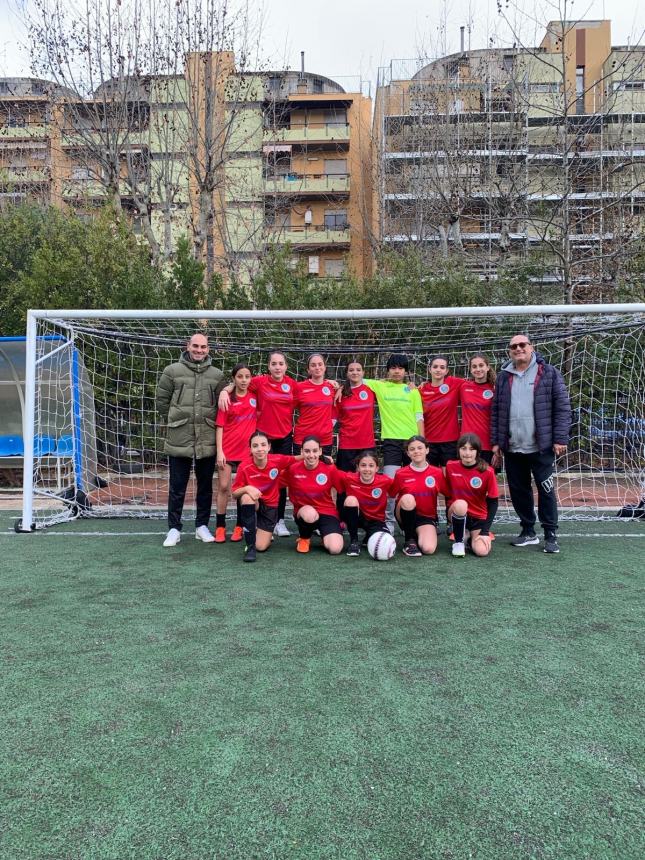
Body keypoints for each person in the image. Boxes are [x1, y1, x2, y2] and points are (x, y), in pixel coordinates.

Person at [491, 334, 572, 554]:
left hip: (541, 445)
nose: (518, 349)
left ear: (531, 347)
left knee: (546, 490)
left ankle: (550, 534)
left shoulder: (549, 373)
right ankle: (528, 531)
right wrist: (497, 443)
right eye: (513, 346)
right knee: (519, 491)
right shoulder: (503, 377)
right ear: (509, 351)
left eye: (522, 345)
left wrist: (559, 438)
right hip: (513, 447)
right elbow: (497, 411)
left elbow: (563, 407)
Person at [156, 332, 225, 547]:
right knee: (177, 486)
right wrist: (178, 420)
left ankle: (201, 526)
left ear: (208, 349)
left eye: (203, 347)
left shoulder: (217, 374)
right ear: (188, 346)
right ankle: (174, 528)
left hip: (206, 438)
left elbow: (223, 403)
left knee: (205, 486)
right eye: (195, 346)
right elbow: (161, 402)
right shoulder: (172, 371)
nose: (199, 350)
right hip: (180, 438)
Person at [219, 350, 296, 537]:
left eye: (281, 364)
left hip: (285, 436)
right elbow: (239, 382)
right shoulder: (259, 382)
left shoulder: (293, 385)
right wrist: (224, 390)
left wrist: (330, 383)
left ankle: (279, 521)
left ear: (286, 366)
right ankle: (253, 519)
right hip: (263, 439)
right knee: (256, 478)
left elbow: (314, 389)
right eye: (274, 364)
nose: (277, 367)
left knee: (281, 480)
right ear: (269, 366)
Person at [364, 354, 424, 532]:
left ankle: (417, 521)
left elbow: (419, 417)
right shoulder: (380, 386)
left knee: (414, 484)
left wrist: (421, 442)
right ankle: (388, 523)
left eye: (400, 368)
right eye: (393, 368)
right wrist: (333, 383)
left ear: (406, 371)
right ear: (388, 370)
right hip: (391, 442)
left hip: (412, 442)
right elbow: (357, 377)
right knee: (390, 484)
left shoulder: (412, 391)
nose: (397, 371)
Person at [231, 431, 299, 563]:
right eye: (255, 446)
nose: (259, 449)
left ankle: (260, 534)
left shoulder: (277, 460)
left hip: (270, 507)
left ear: (269, 447)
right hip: (255, 503)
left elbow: (297, 458)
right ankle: (250, 547)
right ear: (250, 448)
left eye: (263, 445)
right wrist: (247, 488)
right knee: (246, 498)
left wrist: (321, 457)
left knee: (261, 546)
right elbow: (234, 493)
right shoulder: (244, 466)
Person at [280, 435, 344, 555]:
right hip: (304, 513)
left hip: (327, 512)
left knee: (335, 549)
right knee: (309, 514)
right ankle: (304, 538)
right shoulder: (293, 469)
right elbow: (275, 482)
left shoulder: (329, 468)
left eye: (315, 451)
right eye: (307, 451)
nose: (311, 455)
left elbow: (342, 489)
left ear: (320, 451)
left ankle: (325, 538)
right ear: (301, 451)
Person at [214, 362, 257, 543]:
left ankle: (240, 527)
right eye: (240, 376)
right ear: (234, 378)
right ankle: (220, 527)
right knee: (224, 487)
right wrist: (219, 452)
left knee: (241, 491)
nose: (244, 380)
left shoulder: (255, 396)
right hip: (228, 451)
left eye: (247, 376)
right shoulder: (227, 399)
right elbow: (220, 427)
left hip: (247, 454)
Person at [389, 435, 448, 557]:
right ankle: (409, 541)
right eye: (412, 449)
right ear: (408, 453)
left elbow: (449, 494)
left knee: (428, 549)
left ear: (427, 450)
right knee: (408, 498)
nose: (416, 451)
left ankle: (418, 534)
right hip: (405, 512)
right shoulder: (400, 473)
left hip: (426, 518)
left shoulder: (436, 472)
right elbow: (391, 495)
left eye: (420, 448)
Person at [445, 433, 499, 558]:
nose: (467, 453)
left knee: (482, 551)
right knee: (461, 504)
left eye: (471, 449)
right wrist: (448, 512)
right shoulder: (450, 466)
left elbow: (493, 502)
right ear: (458, 450)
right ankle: (459, 542)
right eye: (463, 448)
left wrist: (485, 531)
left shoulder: (487, 471)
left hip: (478, 517)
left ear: (477, 451)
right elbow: (447, 493)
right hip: (458, 511)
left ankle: (468, 538)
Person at [339, 449, 392, 557]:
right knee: (350, 500)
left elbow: (399, 489)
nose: (367, 469)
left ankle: (369, 536)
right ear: (358, 467)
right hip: (357, 517)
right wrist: (326, 461)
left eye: (371, 465)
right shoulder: (349, 478)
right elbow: (331, 471)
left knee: (384, 540)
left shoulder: (385, 481)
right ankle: (354, 542)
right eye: (363, 465)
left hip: (376, 520)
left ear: (377, 468)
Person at [419, 355, 463, 467]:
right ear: (430, 369)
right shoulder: (421, 390)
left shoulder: (454, 383)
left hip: (450, 442)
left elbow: (475, 385)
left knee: (447, 477)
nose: (438, 370)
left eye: (442, 367)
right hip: (428, 442)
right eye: (435, 367)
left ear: (447, 370)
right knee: (430, 479)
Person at [292, 353, 338, 456]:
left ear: (324, 367)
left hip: (325, 439)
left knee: (324, 471)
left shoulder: (333, 387)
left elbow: (336, 410)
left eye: (320, 364)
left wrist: (330, 425)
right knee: (300, 470)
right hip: (302, 438)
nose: (317, 367)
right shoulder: (299, 387)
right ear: (308, 370)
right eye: (313, 365)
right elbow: (289, 407)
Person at [460, 354, 500, 467]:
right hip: (467, 444)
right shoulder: (463, 387)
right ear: (470, 369)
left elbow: (500, 419)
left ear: (487, 367)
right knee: (467, 481)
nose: (478, 369)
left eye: (481, 365)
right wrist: (423, 384)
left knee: (486, 480)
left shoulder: (495, 389)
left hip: (488, 444)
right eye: (474, 366)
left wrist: (498, 446)